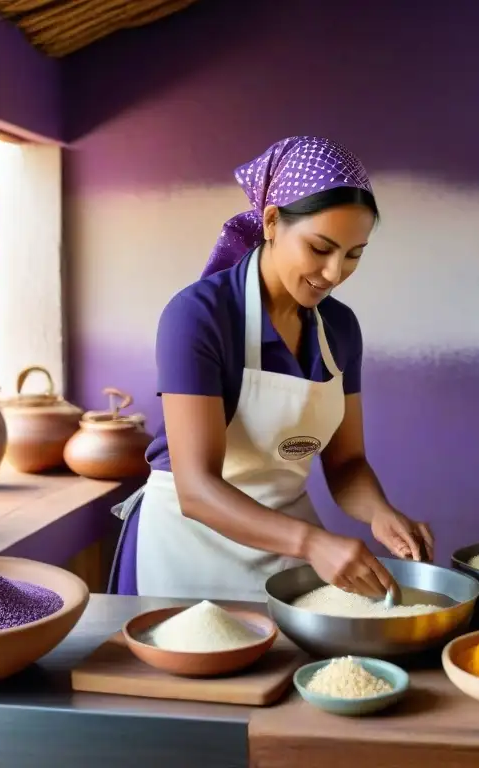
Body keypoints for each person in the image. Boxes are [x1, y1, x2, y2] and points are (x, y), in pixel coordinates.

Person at [108, 136, 434, 602]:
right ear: (272, 221)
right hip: (187, 548)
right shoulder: (199, 316)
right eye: (320, 248)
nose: (334, 272)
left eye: (354, 254)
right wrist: (311, 542)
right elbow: (196, 489)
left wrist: (379, 513)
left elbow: (346, 463)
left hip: (287, 549)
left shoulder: (339, 328)